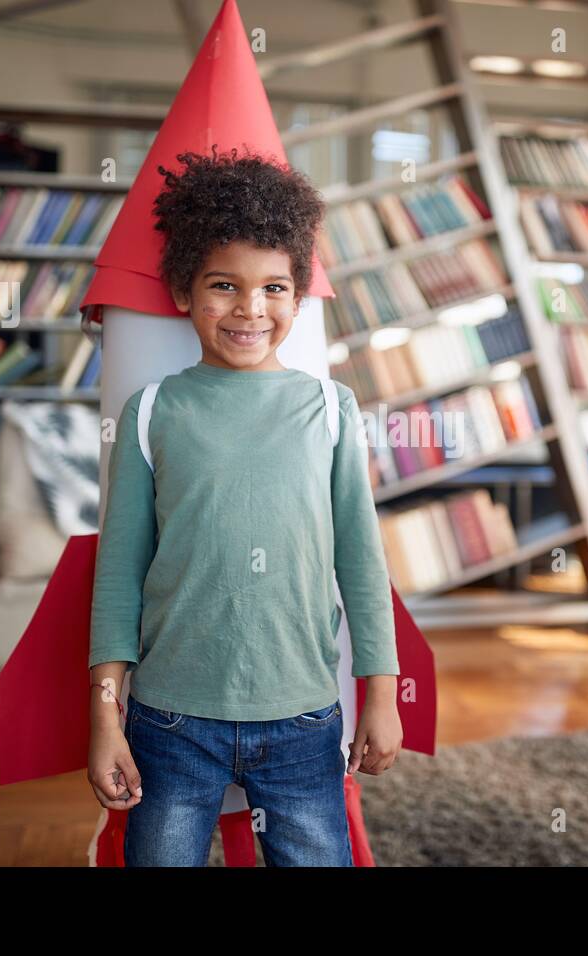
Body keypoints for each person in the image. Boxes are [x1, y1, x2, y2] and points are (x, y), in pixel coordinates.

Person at [85, 147, 402, 866]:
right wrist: (106, 716)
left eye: (274, 289)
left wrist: (380, 694)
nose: (250, 310)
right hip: (169, 723)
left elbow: (362, 560)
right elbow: (117, 575)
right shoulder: (151, 411)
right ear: (183, 291)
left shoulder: (331, 410)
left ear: (297, 295)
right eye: (224, 285)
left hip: (302, 722)